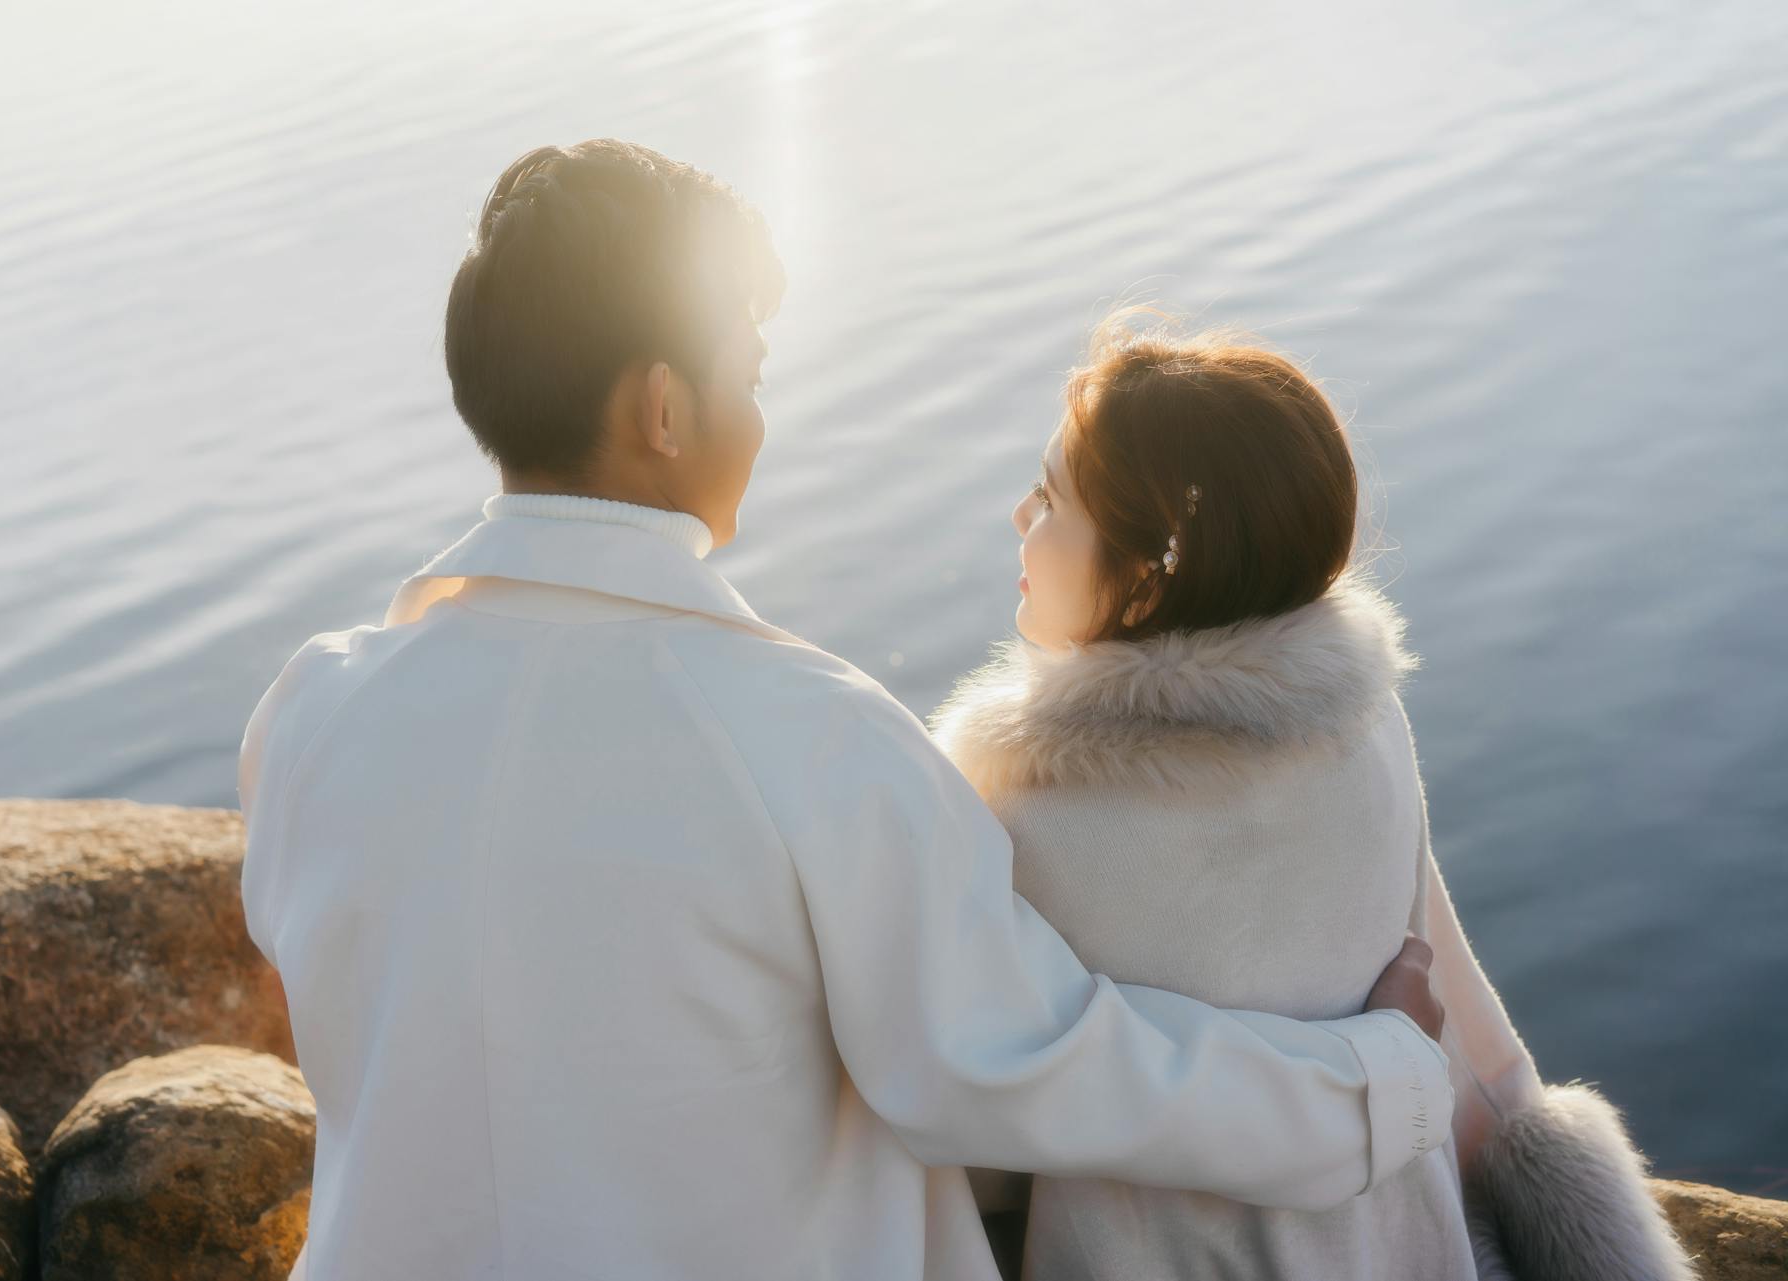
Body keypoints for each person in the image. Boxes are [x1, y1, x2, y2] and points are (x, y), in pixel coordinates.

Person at [236, 139, 1456, 1281]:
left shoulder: (311, 712)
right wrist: (1377, 1081)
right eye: (749, 377)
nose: (760, 421)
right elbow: (1028, 1064)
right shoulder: (805, 739)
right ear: (664, 413)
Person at [938, 312, 1697, 1281]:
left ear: (1142, 578)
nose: (1019, 517)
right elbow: (1461, 1032)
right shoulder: (1366, 733)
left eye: (1049, 498)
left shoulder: (1016, 821)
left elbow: (986, 1142)